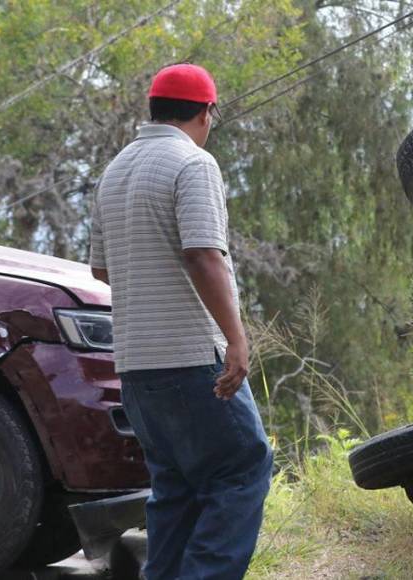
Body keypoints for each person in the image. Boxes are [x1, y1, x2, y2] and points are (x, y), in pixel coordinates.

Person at [88, 63, 272, 580]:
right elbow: (202, 256)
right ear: (206, 112)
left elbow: (101, 268)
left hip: (136, 365)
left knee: (176, 490)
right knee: (242, 471)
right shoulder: (194, 164)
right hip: (191, 359)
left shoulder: (116, 169)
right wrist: (236, 340)